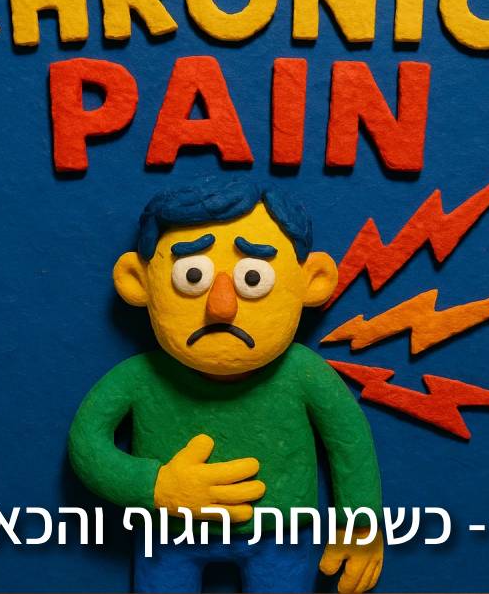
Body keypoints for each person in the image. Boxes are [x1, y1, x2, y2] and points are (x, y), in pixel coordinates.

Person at [69, 179, 383, 593]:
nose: (221, 306)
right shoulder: (141, 378)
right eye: (192, 276)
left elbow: (350, 444)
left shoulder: (303, 374)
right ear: (137, 280)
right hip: (170, 534)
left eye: (253, 278)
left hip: (279, 533)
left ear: (313, 281)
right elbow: (87, 444)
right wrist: (155, 485)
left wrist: (360, 526)